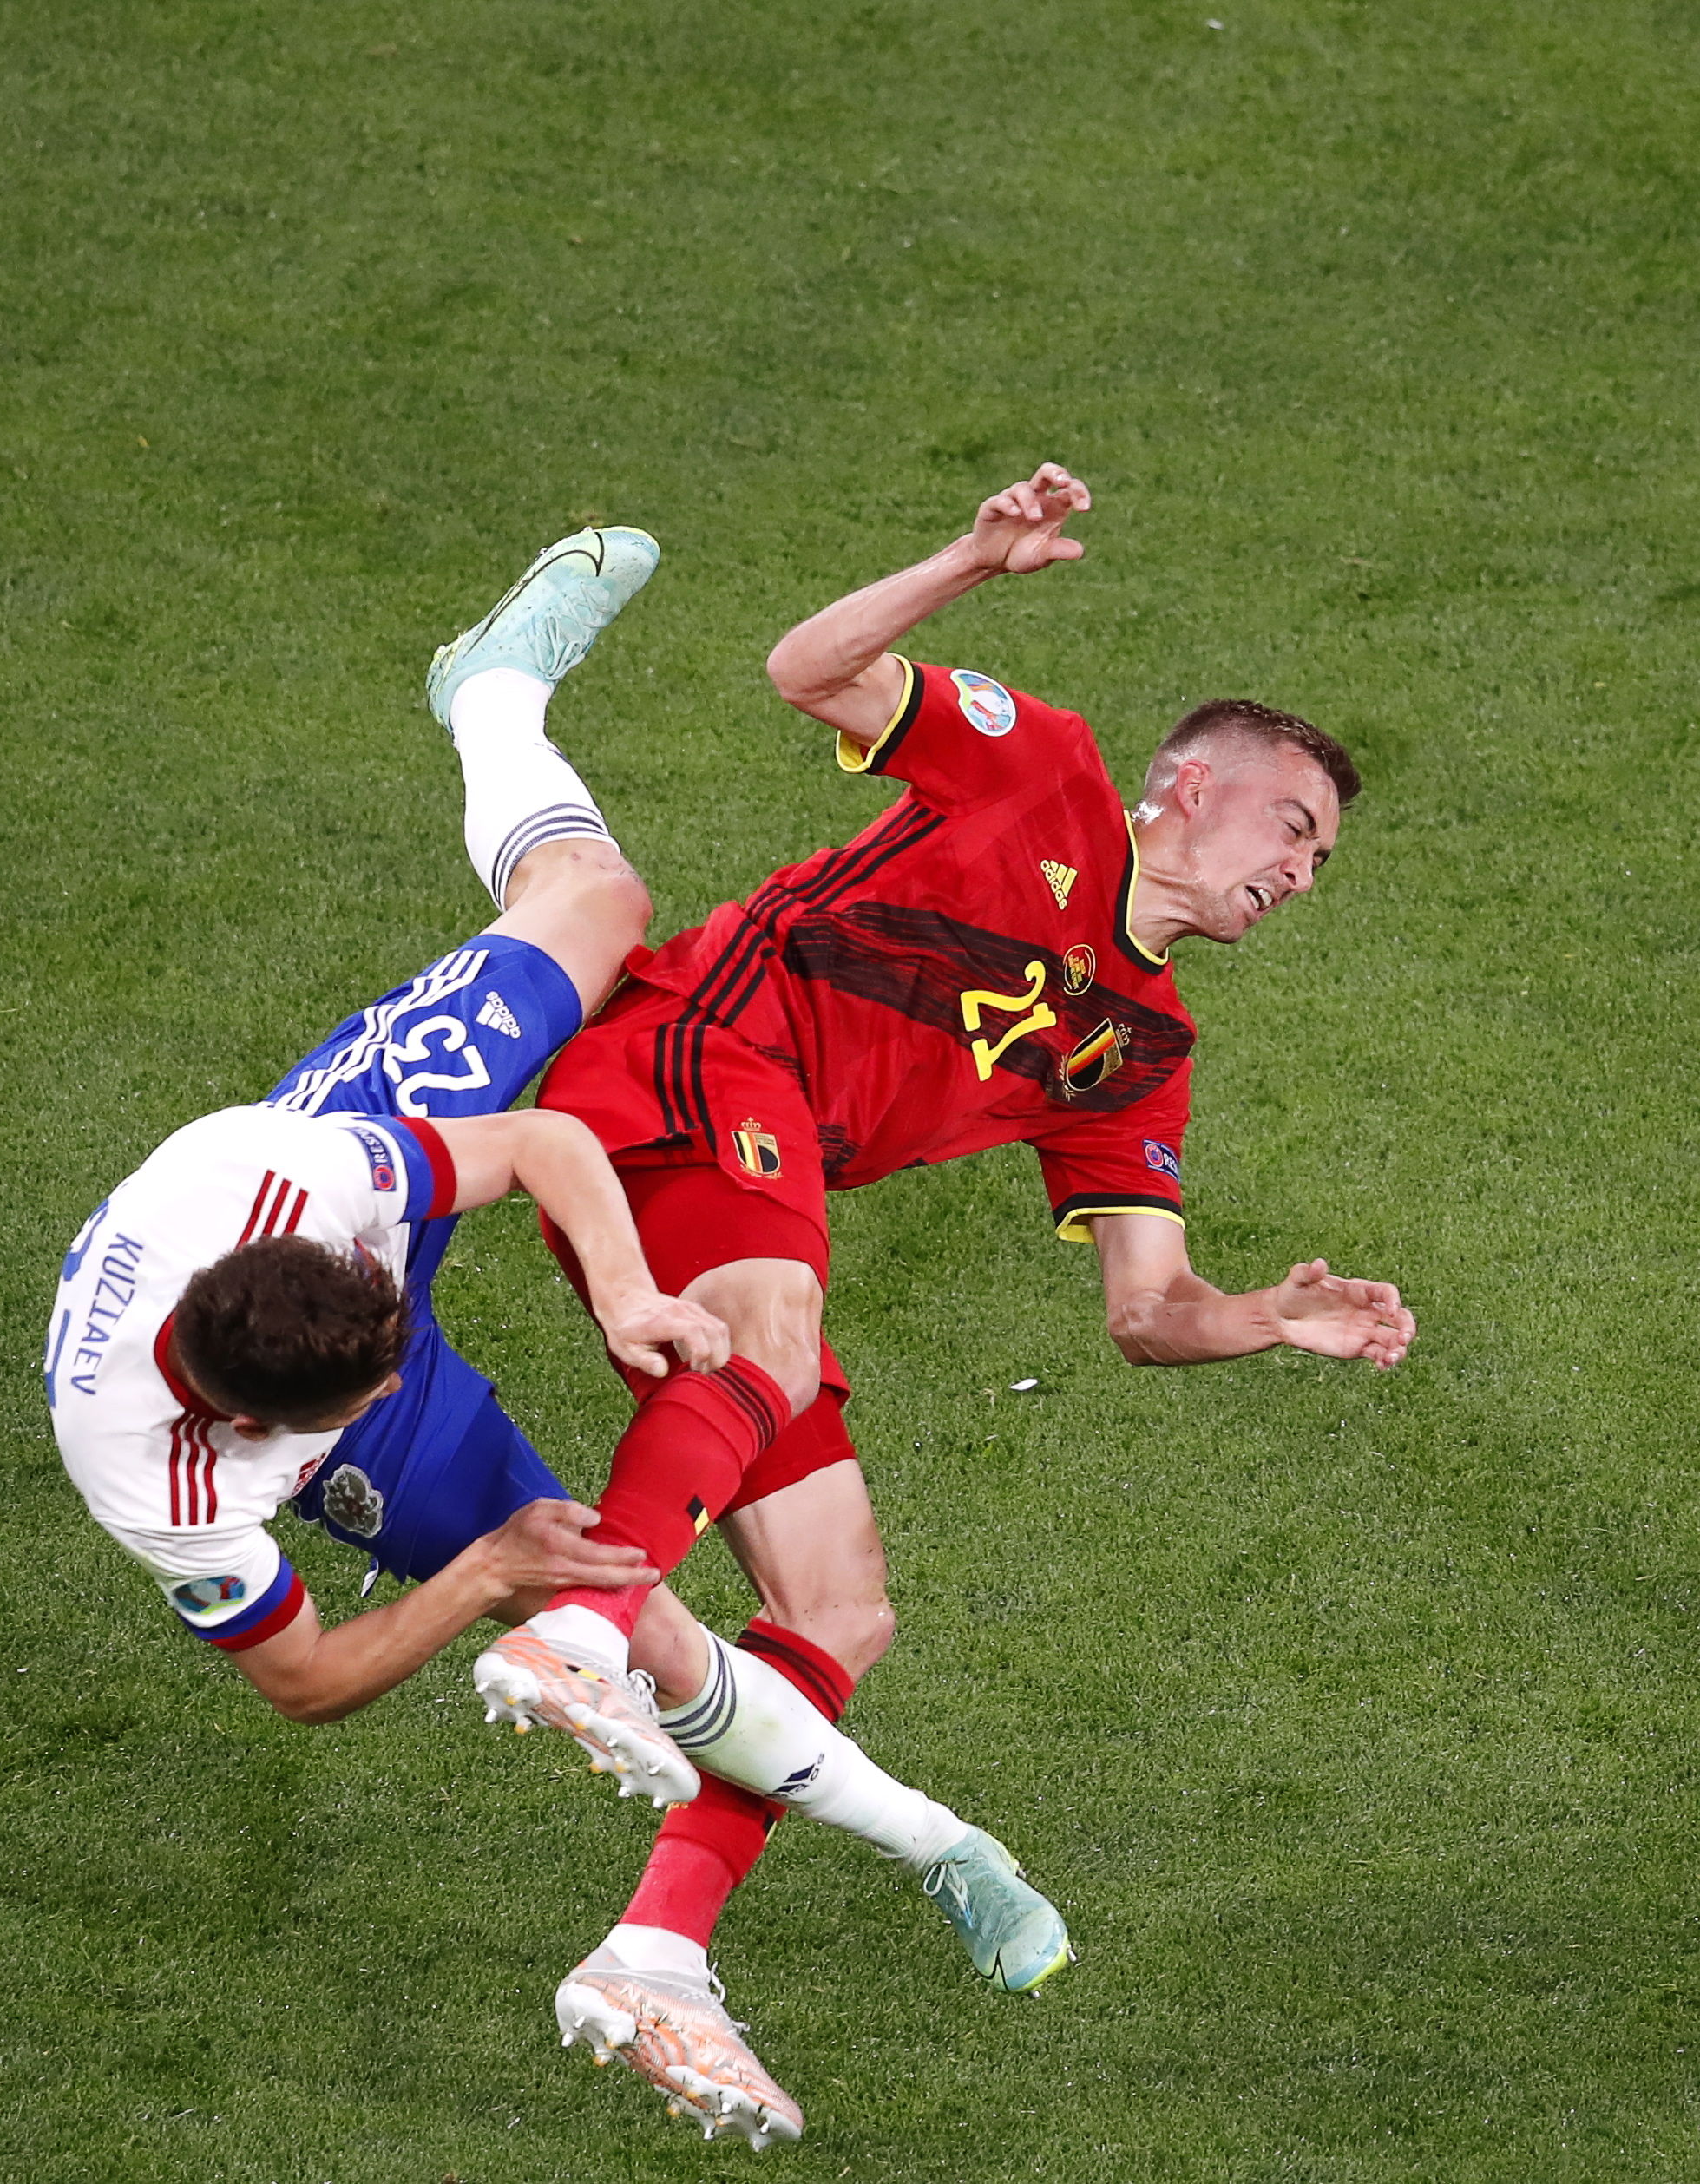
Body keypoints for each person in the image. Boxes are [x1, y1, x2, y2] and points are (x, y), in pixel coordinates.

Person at [46, 528, 1051, 2153]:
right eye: (390, 1373)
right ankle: (934, 1848)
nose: (421, 1355)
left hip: (338, 1168)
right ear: (277, 1443)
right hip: (294, 1362)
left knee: (598, 897)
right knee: (618, 1600)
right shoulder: (158, 1482)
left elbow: (544, 1149)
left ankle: (489, 684)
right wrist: (484, 1579)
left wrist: (637, 1293)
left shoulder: (303, 1173)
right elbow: (301, 1679)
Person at [470, 465, 1420, 2134]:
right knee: (772, 1325)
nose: (1308, 873)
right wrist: (969, 567)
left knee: (841, 1609)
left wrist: (1269, 1316)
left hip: (742, 1179)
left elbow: (1146, 1306)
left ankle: (655, 1952)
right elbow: (804, 670)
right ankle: (578, 1626)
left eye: (1324, 858)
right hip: (684, 1056)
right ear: (1187, 787)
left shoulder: (1145, 1053)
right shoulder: (1039, 766)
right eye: (1296, 826)